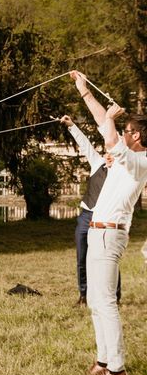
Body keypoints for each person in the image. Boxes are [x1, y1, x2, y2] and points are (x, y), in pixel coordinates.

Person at [71, 70, 147, 375]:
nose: (122, 134)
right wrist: (85, 91)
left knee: (105, 301)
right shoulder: (126, 153)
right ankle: (103, 360)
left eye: (128, 130)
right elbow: (107, 127)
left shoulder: (141, 161)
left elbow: (115, 144)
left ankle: (116, 370)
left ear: (138, 137)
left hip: (110, 232)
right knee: (95, 300)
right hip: (99, 231)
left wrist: (114, 125)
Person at [59, 115, 121, 306]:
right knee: (82, 257)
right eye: (107, 152)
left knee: (108, 258)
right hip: (86, 217)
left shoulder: (122, 172)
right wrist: (71, 126)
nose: (108, 155)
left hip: (106, 219)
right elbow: (84, 143)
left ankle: (114, 296)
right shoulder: (97, 163)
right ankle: (84, 295)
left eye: (113, 153)